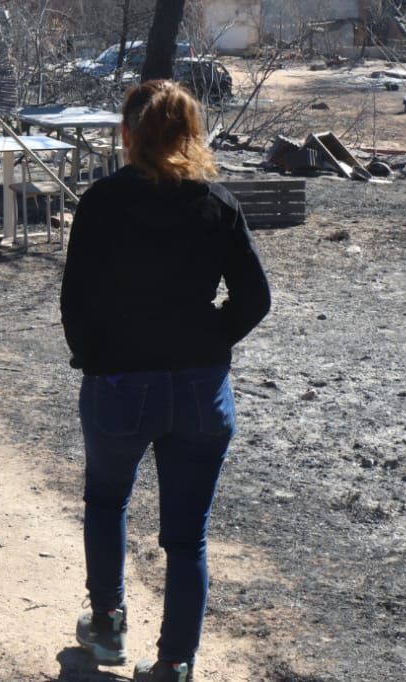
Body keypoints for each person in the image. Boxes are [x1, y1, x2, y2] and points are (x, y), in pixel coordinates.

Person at [61, 79, 271, 682]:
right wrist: (209, 340)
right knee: (187, 538)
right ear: (190, 133)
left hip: (121, 382)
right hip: (201, 390)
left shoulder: (102, 201)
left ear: (127, 134)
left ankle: (108, 628)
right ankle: (175, 664)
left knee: (107, 501)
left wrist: (96, 358)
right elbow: (255, 298)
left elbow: (76, 302)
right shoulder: (216, 202)